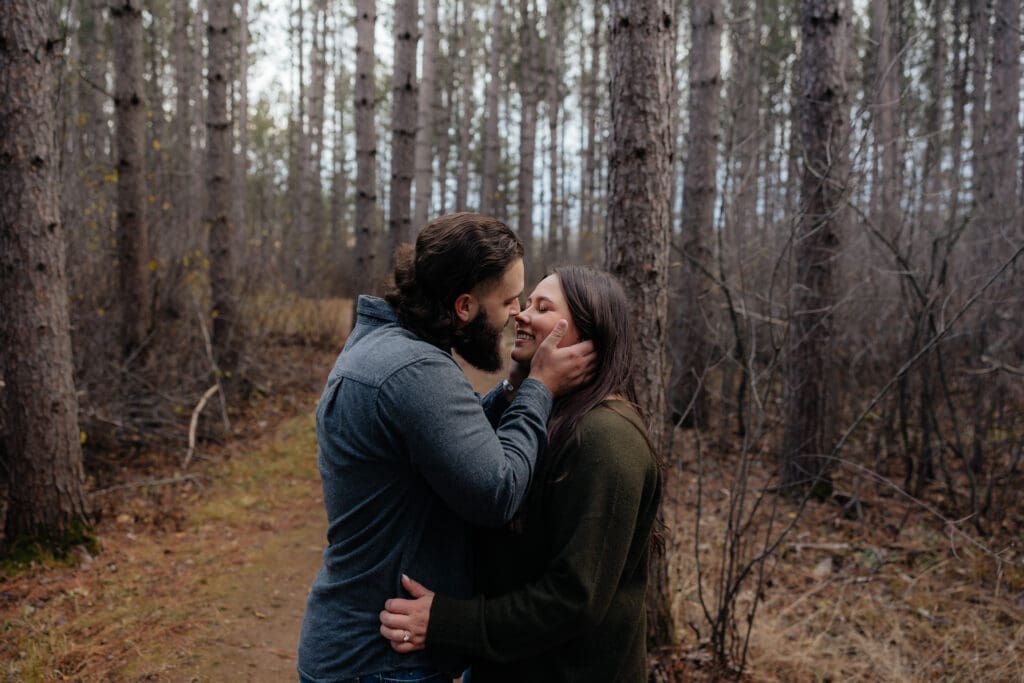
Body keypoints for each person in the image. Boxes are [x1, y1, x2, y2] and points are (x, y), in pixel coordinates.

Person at [297, 213, 596, 683]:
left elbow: (448, 435)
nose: (517, 314)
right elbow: (497, 491)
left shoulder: (384, 346)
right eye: (509, 300)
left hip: (360, 651)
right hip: (378, 662)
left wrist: (513, 389)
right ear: (463, 306)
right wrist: (541, 387)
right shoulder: (415, 370)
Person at [378, 265, 663, 682]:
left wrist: (448, 622)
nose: (521, 314)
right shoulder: (548, 415)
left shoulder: (608, 438)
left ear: (587, 335)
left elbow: (572, 599)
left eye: (542, 307)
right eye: (526, 302)